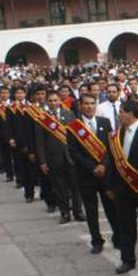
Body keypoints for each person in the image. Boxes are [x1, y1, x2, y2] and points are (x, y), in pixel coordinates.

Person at [106, 99, 138, 273]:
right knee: (125, 225)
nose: (119, 115)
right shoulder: (116, 135)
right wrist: (110, 186)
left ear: (131, 113)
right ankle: (127, 259)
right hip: (122, 188)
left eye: (121, 111)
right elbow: (112, 161)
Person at [66, 92, 116, 253]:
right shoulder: (74, 126)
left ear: (96, 105)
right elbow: (74, 153)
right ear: (80, 106)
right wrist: (92, 168)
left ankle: (118, 236)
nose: (89, 106)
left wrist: (103, 165)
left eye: (92, 103)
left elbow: (110, 148)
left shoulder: (105, 122)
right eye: (86, 104)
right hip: (86, 175)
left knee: (111, 207)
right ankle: (96, 240)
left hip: (105, 173)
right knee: (91, 210)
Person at [34, 90, 80, 223]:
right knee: (60, 187)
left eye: (56, 100)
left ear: (60, 101)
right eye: (50, 101)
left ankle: (78, 211)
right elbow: (39, 141)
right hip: (53, 157)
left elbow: (75, 135)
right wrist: (42, 161)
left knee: (75, 186)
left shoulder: (69, 114)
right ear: (47, 102)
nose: (53, 103)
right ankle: (65, 213)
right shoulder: (42, 118)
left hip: (70, 156)